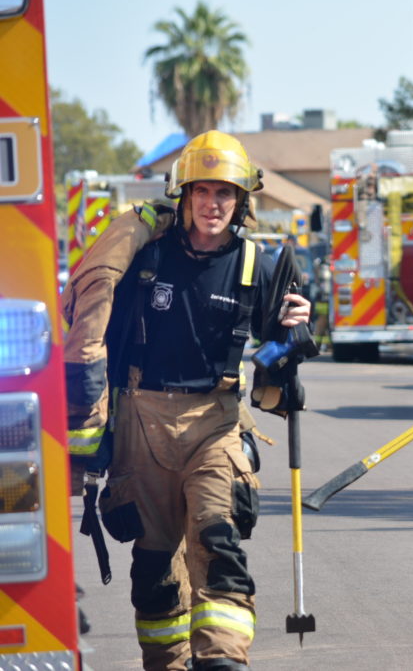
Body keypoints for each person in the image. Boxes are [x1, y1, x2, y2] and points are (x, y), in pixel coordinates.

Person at [66, 130, 310, 670]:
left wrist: (296, 327)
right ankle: (166, 662)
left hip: (216, 423)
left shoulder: (257, 264)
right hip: (141, 422)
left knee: (218, 543)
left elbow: (278, 341)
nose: (212, 204)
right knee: (154, 569)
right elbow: (95, 321)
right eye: (202, 191)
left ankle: (222, 658)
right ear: (184, 196)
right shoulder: (146, 258)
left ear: (241, 201)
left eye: (225, 193)